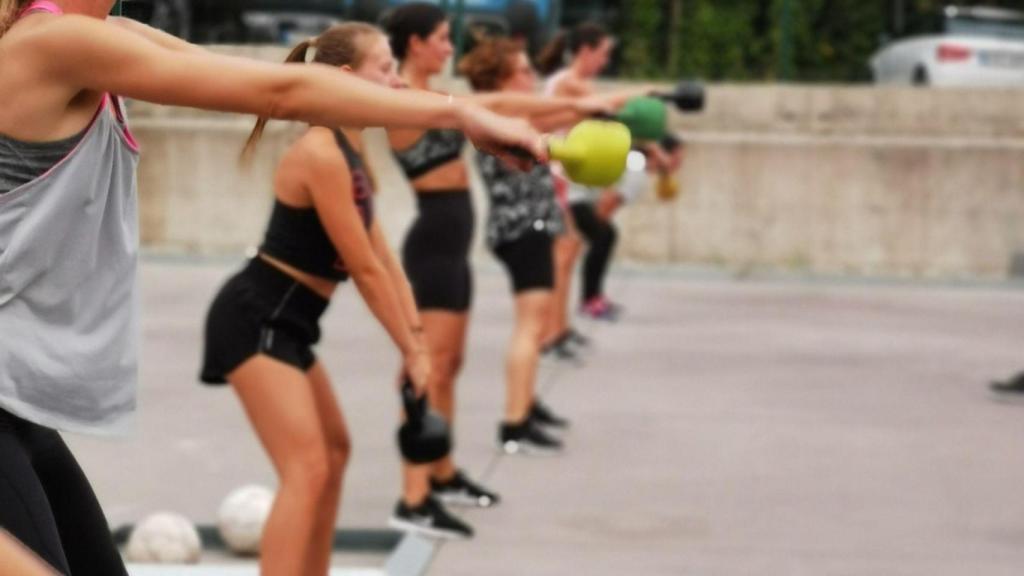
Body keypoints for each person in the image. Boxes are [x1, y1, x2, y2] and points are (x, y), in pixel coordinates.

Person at [0, 1, 543, 572]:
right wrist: (459, 114)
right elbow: (278, 93)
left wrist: (414, 102)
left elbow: (261, 81)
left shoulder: (100, 37)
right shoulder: (55, 45)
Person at [383, 2, 611, 538]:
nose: (448, 48)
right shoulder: (402, 99)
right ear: (415, 44)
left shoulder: (440, 98)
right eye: (440, 38)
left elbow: (499, 104)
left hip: (454, 249)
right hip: (433, 247)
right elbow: (498, 101)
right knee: (424, 371)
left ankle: (441, 472)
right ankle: (412, 497)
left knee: (450, 364)